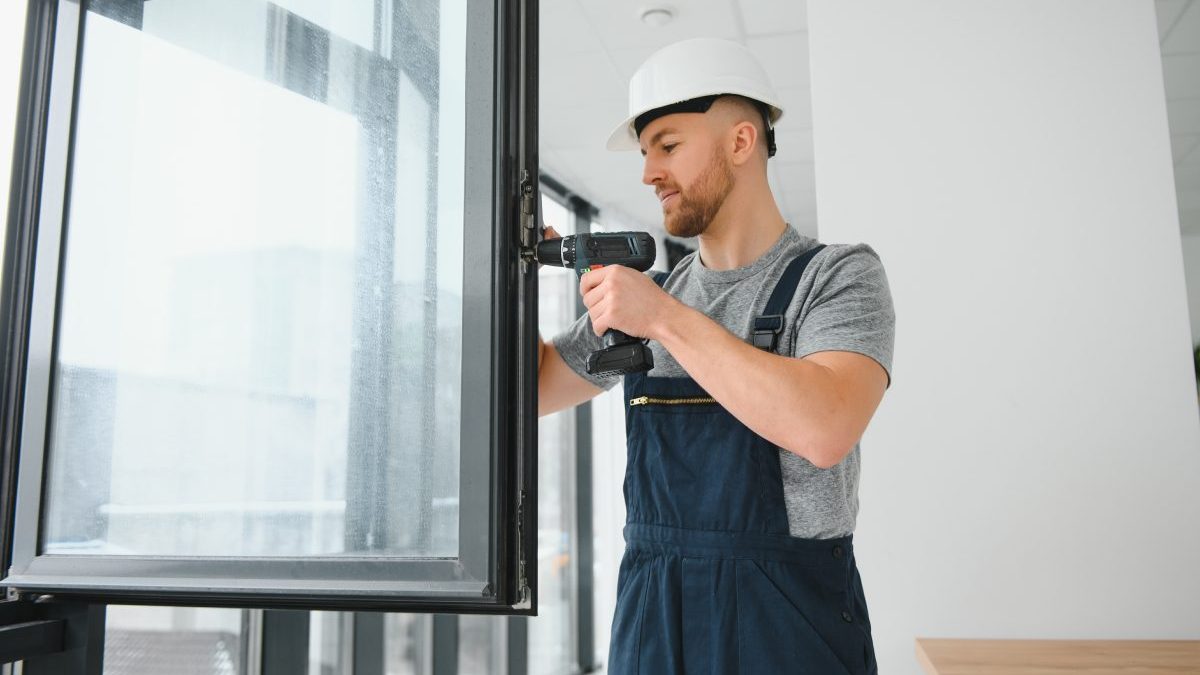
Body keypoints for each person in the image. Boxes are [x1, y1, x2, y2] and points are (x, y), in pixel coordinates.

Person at [537, 37, 893, 674]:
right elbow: (532, 392)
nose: (648, 173)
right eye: (645, 154)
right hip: (654, 619)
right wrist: (506, 279)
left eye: (668, 145)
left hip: (787, 629)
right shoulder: (650, 297)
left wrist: (666, 321)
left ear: (740, 141)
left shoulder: (837, 275)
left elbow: (825, 426)